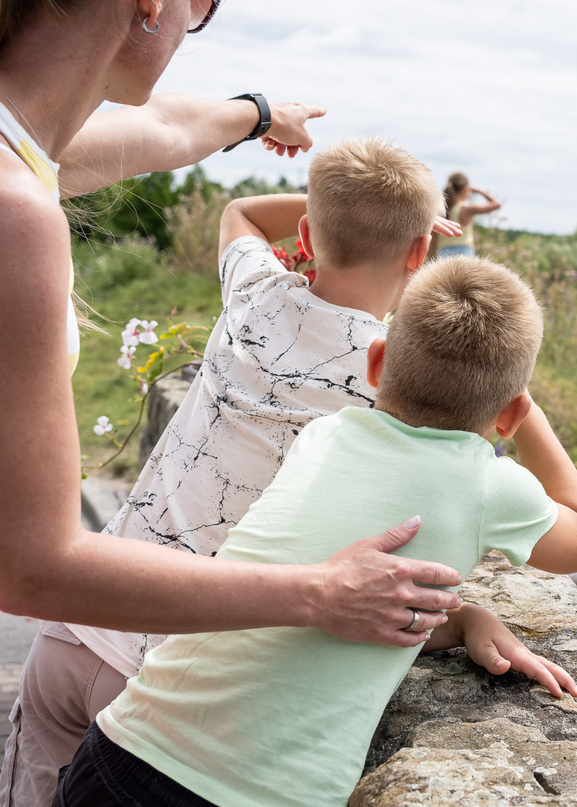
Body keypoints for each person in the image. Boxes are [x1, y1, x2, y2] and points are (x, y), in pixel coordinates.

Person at [0, 0, 467, 787]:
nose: (190, 27)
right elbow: (31, 564)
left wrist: (258, 113)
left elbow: (169, 132)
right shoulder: (17, 216)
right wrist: (321, 593)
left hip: (67, 656)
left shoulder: (28, 150)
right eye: (197, 6)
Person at [0, 138, 473, 804]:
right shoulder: (392, 385)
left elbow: (241, 213)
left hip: (76, 627)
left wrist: (337, 206)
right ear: (420, 256)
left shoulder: (254, 294)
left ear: (306, 235)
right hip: (172, 674)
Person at [56, 255, 577, 807]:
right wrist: (526, 414)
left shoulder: (323, 436)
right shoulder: (488, 484)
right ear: (508, 415)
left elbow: (341, 589)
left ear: (377, 363)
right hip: (253, 794)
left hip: (121, 746)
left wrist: (463, 621)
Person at [431, 171, 502, 258]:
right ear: (465, 190)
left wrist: (430, 259)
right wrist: (479, 191)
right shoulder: (466, 209)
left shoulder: (439, 211)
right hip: (464, 254)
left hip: (443, 254)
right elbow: (497, 204)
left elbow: (433, 241)